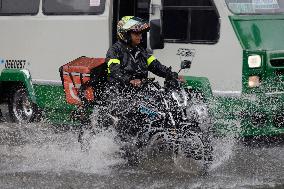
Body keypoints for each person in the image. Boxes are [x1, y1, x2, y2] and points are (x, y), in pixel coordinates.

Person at [106, 16, 178, 88]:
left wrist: (171, 74)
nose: (140, 37)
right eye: (137, 34)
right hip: (119, 92)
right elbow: (114, 70)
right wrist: (130, 80)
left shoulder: (140, 51)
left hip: (139, 91)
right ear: (125, 34)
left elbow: (156, 66)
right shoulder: (114, 50)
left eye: (141, 34)